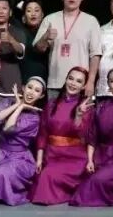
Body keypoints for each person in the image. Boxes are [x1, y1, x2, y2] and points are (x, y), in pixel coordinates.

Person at [71, 68, 113, 206]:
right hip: (104, 156)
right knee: (84, 180)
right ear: (108, 84)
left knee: (98, 181)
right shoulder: (101, 107)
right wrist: (90, 160)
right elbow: (93, 136)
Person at [0, 77, 46, 206]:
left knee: (1, 172)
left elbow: (8, 128)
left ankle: (4, 194)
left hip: (20, 158)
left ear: (41, 95)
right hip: (1, 153)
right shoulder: (8, 102)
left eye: (37, 91)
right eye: (30, 87)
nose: (31, 92)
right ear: (23, 88)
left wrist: (20, 107)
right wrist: (17, 104)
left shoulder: (34, 118)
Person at [31, 66, 92, 205]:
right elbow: (43, 133)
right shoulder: (51, 104)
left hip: (74, 158)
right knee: (38, 178)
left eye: (78, 81)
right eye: (71, 79)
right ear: (66, 80)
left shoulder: (85, 107)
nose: (73, 83)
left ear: (83, 86)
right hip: (51, 155)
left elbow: (83, 134)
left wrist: (78, 115)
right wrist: (39, 160)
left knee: (48, 176)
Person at [33, 0, 102, 100]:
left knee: (80, 113)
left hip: (80, 84)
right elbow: (38, 49)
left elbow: (95, 54)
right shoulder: (50, 19)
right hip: (55, 83)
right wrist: (45, 37)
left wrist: (90, 82)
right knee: (52, 113)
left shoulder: (91, 21)